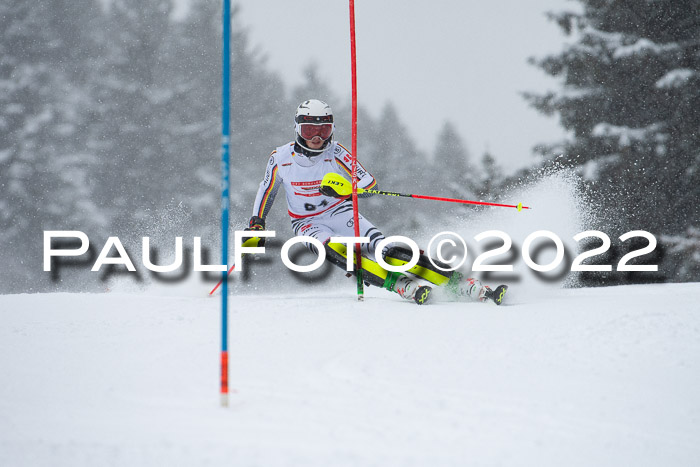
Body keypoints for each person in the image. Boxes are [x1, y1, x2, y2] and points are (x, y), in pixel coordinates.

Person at [246, 99, 506, 305]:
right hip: (307, 223)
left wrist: (347, 192)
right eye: (310, 129)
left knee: (385, 250)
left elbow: (370, 185)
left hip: (341, 212)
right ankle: (401, 285)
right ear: (297, 128)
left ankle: (462, 285)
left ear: (332, 129)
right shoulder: (280, 157)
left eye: (324, 129)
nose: (317, 137)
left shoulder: (336, 153)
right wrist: (257, 223)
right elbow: (267, 189)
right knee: (335, 250)